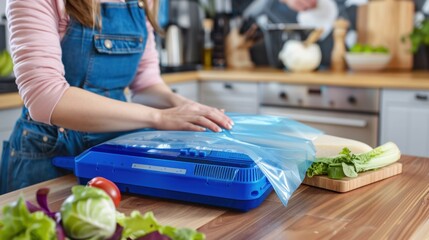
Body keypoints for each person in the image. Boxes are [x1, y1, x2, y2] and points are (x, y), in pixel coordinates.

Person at [0, 0, 234, 194]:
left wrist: (185, 107)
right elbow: (45, 98)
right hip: (48, 155)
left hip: (113, 153)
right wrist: (159, 117)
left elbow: (145, 83)